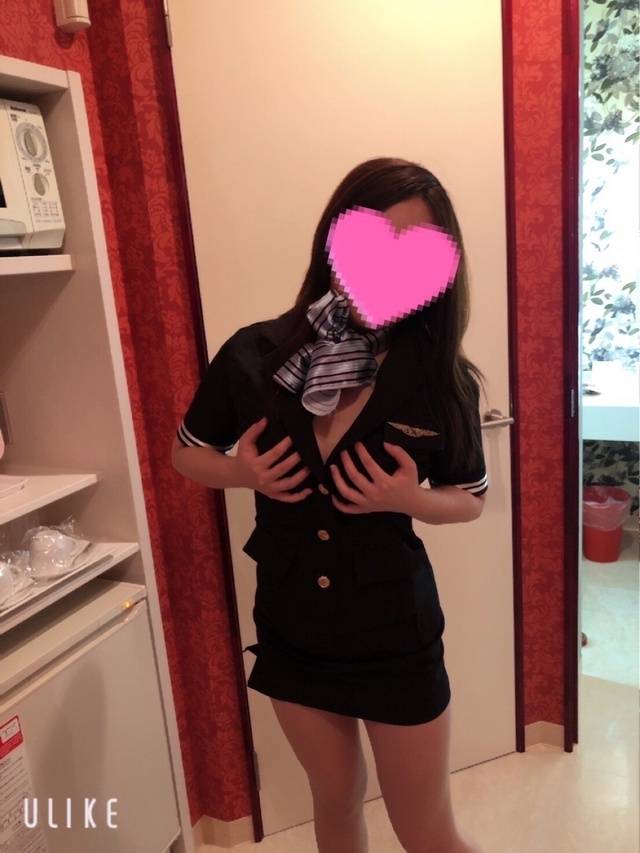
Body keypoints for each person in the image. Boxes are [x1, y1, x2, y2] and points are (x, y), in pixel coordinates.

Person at [172, 157, 487, 853]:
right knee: (336, 802)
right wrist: (240, 472)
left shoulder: (440, 378)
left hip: (396, 631)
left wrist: (410, 499)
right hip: (294, 626)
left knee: (425, 827)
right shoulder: (254, 354)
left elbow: (471, 498)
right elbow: (184, 453)